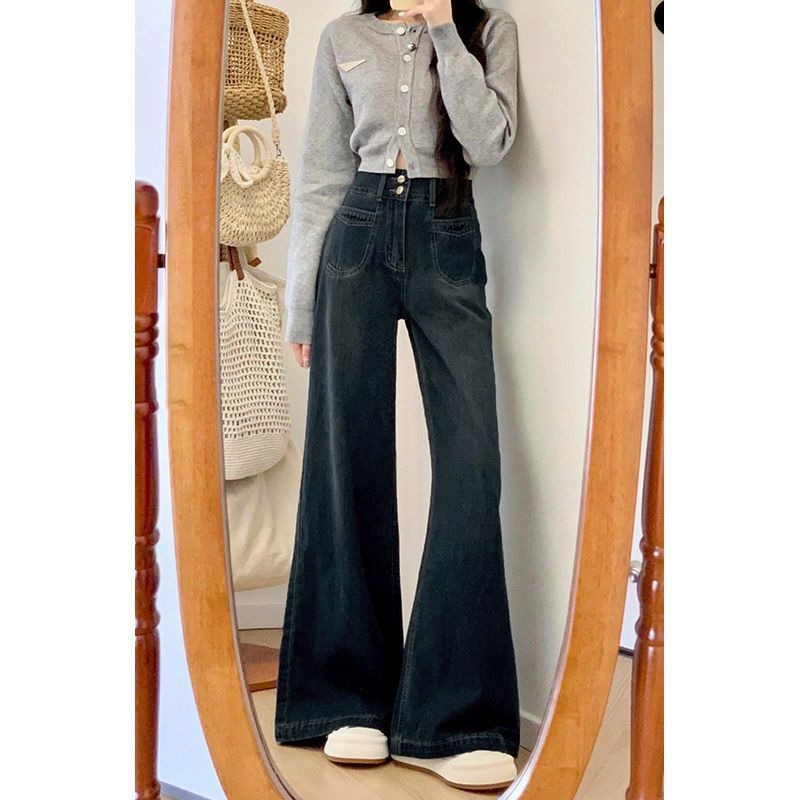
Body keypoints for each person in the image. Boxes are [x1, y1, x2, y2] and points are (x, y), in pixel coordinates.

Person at [275, 0, 521, 790]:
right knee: (348, 459)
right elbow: (321, 175)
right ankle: (346, 699)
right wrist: (302, 305)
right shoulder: (343, 37)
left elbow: (490, 143)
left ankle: (450, 718)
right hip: (355, 239)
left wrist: (445, 29)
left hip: (448, 235)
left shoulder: (488, 30)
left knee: (472, 467)